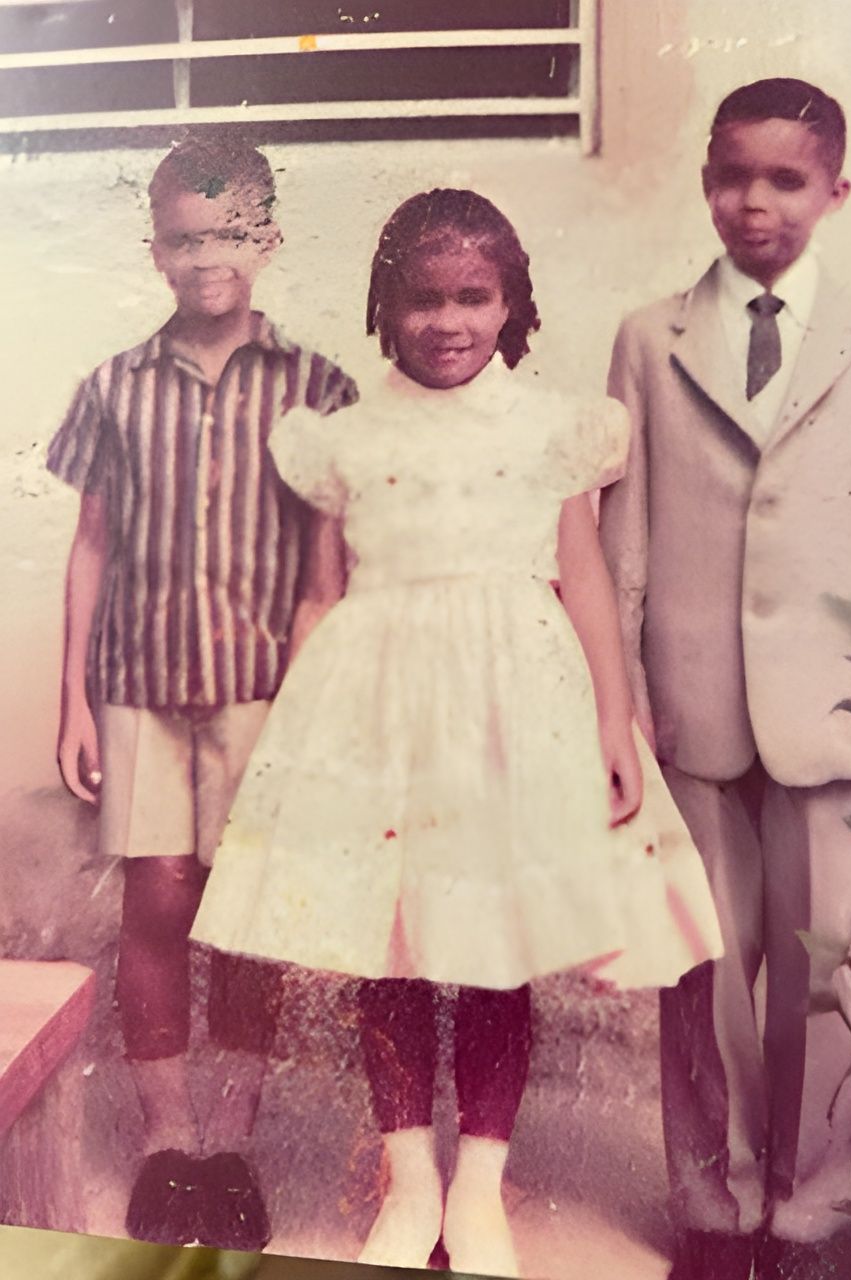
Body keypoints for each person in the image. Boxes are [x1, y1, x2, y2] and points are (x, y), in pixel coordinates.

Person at [190, 188, 722, 1276]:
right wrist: (295, 749)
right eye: (423, 300)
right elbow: (320, 595)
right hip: (377, 716)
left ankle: (479, 1189)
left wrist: (613, 722)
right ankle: (408, 1182)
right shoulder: (345, 438)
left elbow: (583, 582)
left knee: (493, 950)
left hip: (508, 716)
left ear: (511, 304)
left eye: (473, 298)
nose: (448, 322)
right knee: (386, 949)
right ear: (385, 307)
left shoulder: (551, 428)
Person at [598, 78, 851, 1280]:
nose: (757, 202)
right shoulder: (650, 338)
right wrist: (622, 700)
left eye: (786, 180)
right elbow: (623, 538)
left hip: (837, 706)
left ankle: (816, 1210)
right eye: (734, 176)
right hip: (690, 703)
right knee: (703, 964)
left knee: (830, 963)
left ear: (835, 190)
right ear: (706, 183)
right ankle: (712, 1201)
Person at [47, 134, 357, 1250]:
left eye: (229, 235)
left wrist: (317, 712)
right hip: (140, 681)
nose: (206, 257)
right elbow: (90, 546)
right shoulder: (113, 387)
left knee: (245, 916)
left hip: (261, 689)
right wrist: (74, 699)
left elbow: (329, 566)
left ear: (267, 240)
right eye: (184, 239)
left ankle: (231, 1140)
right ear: (154, 250)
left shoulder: (318, 387)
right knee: (159, 901)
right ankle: (166, 1140)